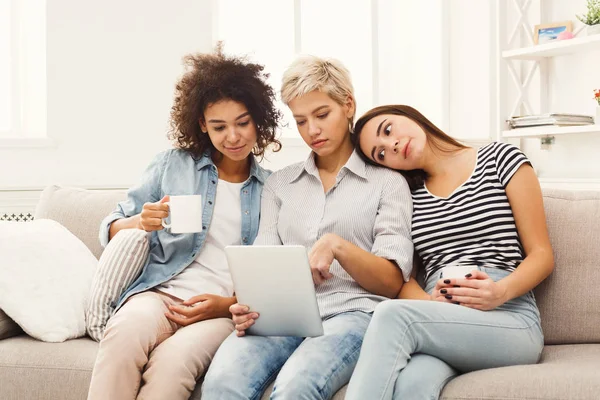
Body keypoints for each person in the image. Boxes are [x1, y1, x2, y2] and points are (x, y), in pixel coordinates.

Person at [201, 56, 414, 400]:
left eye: (321, 115)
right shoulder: (281, 185)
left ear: (348, 105)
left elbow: (391, 282)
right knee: (222, 382)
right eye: (300, 120)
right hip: (280, 316)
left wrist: (338, 246)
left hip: (354, 313)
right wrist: (245, 303)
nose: (312, 130)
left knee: (296, 388)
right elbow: (262, 264)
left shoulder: (387, 184)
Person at [87, 45, 282, 400]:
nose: (233, 137)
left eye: (242, 123)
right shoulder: (172, 165)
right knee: (123, 336)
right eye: (219, 126)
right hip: (160, 295)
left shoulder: (275, 190)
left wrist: (225, 306)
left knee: (172, 367)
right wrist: (139, 222)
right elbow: (110, 226)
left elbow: (275, 276)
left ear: (258, 119)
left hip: (218, 312)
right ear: (202, 126)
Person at [345, 104, 554, 400]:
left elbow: (542, 255)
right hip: (440, 317)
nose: (391, 145)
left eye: (388, 130)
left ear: (408, 114)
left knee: (391, 315)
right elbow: (402, 276)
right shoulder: (408, 196)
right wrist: (430, 304)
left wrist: (500, 292)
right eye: (381, 154)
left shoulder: (500, 158)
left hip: (509, 317)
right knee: (412, 385)